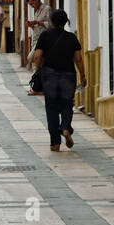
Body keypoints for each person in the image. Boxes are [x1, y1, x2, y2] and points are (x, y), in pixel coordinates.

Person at [33, 9, 86, 152]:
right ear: (65, 22)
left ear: (51, 21)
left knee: (51, 108)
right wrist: (83, 75)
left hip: (49, 75)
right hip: (68, 75)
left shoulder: (45, 35)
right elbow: (79, 59)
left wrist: (38, 71)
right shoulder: (72, 38)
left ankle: (55, 143)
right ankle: (65, 127)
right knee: (67, 105)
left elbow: (37, 56)